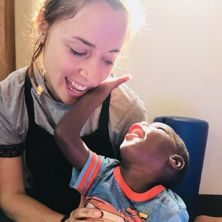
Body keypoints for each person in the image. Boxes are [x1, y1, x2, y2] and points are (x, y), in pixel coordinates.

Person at [0, 0, 147, 221]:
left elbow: (139, 200)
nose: (91, 74)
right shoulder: (11, 98)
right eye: (78, 51)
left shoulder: (125, 110)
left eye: (108, 60)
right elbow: (11, 195)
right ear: (43, 25)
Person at [55, 76, 190, 222]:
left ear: (175, 161)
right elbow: (65, 135)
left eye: (157, 128)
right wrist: (100, 92)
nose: (141, 125)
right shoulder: (102, 172)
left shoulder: (169, 211)